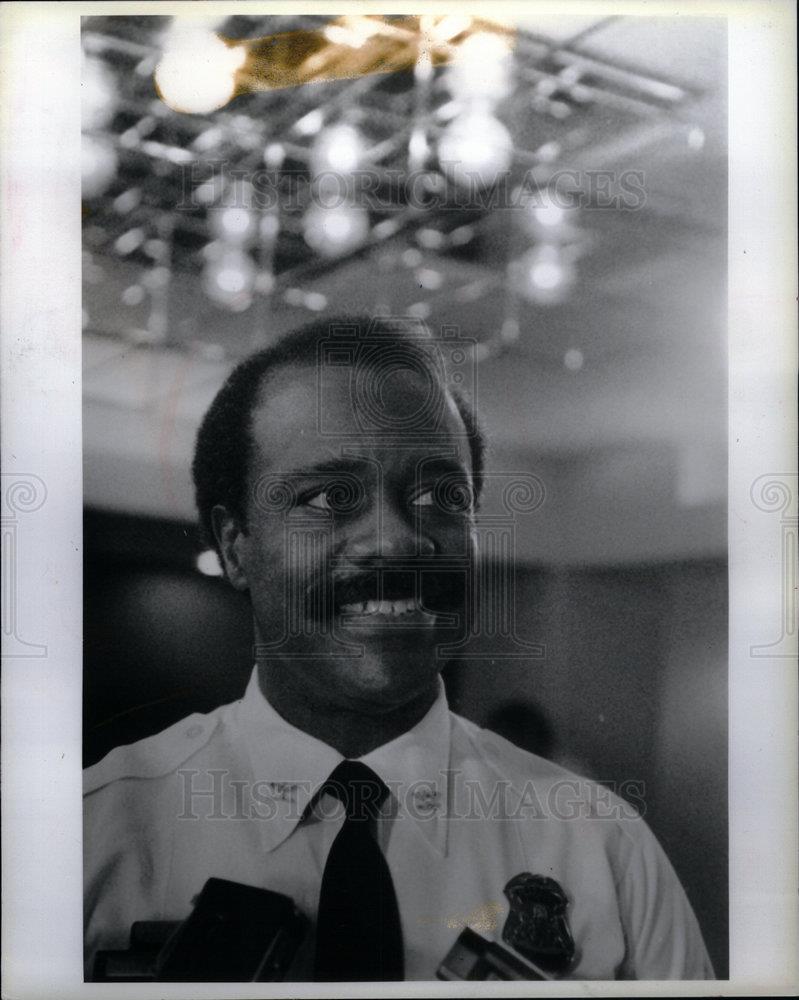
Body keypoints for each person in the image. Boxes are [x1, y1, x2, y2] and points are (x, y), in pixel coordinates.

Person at [83, 316, 714, 981]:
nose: (398, 541)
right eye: (329, 496)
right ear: (236, 544)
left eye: (442, 496)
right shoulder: (94, 838)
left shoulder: (602, 851)